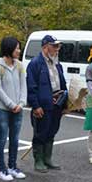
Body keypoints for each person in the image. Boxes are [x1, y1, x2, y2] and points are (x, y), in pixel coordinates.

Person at [27, 35, 67, 173]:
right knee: (40, 132)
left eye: (58, 46)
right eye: (54, 46)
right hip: (43, 104)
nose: (57, 49)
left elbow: (62, 83)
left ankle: (47, 158)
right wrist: (36, 106)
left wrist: (65, 103)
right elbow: (31, 87)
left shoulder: (57, 63)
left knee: (52, 131)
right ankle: (38, 160)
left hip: (57, 102)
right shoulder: (35, 63)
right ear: (45, 47)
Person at [0, 37, 27, 181]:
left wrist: (22, 103)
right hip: (2, 110)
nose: (19, 51)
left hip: (18, 109)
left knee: (15, 139)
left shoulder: (19, 65)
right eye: (17, 48)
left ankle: (12, 166)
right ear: (9, 49)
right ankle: (1, 169)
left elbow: (24, 85)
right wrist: (12, 105)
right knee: (1, 139)